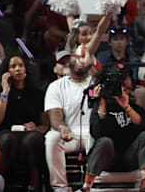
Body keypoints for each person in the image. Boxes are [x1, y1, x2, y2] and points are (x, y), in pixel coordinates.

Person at [44, 14, 109, 192]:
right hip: (70, 135)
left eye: (77, 58)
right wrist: (60, 127)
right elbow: (55, 116)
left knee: (101, 139)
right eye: (66, 60)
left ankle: (92, 186)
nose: (75, 61)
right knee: (51, 137)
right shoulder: (56, 86)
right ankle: (60, 188)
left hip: (92, 134)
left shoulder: (95, 80)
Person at [79, 66, 145, 192]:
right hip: (107, 159)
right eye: (123, 87)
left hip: (130, 158)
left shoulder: (134, 107)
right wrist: (101, 105)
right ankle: (86, 187)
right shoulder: (102, 107)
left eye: (128, 88)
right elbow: (97, 134)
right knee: (104, 141)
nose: (125, 91)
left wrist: (127, 107)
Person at [0, 55, 48, 191]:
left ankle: (34, 184)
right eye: (13, 66)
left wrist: (37, 128)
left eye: (21, 65)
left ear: (26, 69)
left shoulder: (37, 94)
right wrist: (5, 92)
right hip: (5, 132)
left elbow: (46, 125)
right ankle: (2, 183)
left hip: (29, 134)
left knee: (33, 138)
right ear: (6, 71)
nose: (18, 69)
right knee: (8, 139)